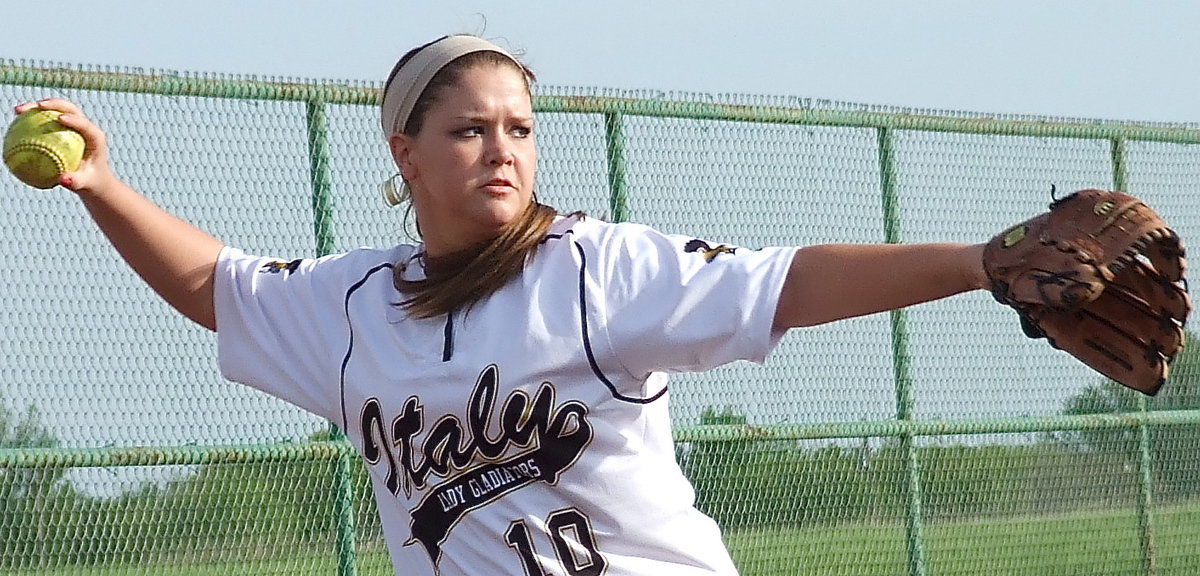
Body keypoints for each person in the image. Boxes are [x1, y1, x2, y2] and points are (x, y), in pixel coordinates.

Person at [15, 34, 988, 576]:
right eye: (471, 129)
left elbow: (789, 282)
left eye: (519, 127)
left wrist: (983, 262)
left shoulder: (592, 269)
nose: (504, 148)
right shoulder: (353, 308)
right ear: (407, 152)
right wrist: (101, 184)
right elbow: (216, 287)